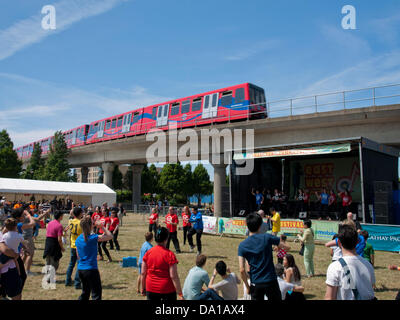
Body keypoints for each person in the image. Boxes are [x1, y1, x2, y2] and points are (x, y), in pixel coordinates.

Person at [238, 212, 288, 301]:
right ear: (260, 225)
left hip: (256, 282)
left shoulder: (242, 245)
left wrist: (247, 286)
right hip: (271, 280)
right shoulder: (267, 237)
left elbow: (242, 270)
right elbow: (285, 247)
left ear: (247, 225)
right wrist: (282, 247)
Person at [325, 224, 376, 300]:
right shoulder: (368, 265)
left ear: (339, 242)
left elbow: (329, 297)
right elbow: (370, 287)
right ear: (357, 242)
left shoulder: (335, 267)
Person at [75, 216, 113, 300]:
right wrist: (102, 226)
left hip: (81, 269)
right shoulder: (93, 238)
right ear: (91, 226)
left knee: (85, 293)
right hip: (91, 269)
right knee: (96, 294)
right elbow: (110, 236)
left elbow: (78, 256)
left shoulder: (78, 239)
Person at [141, 227, 184, 301]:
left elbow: (143, 273)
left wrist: (143, 288)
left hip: (151, 287)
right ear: (166, 239)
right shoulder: (170, 254)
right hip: (167, 290)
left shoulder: (148, 253)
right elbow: (173, 276)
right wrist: (180, 293)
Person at [0, 230, 22, 300]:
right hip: (7, 270)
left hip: (6, 267)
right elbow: (5, 250)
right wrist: (15, 254)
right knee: (16, 296)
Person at [65, 207, 83, 288]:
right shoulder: (81, 223)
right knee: (79, 264)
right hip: (79, 246)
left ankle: (67, 280)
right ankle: (77, 283)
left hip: (72, 245)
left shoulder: (70, 221)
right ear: (79, 214)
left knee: (71, 264)